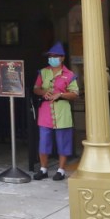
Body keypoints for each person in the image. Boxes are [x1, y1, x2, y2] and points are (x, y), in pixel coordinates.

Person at [32, 42, 79, 181]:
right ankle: (43, 168)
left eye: (55, 56)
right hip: (45, 110)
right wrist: (43, 92)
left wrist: (61, 95)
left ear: (62, 58)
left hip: (62, 111)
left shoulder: (69, 75)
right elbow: (36, 89)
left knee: (63, 141)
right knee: (44, 141)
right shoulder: (43, 72)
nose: (52, 59)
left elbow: (75, 93)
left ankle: (61, 170)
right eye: (50, 56)